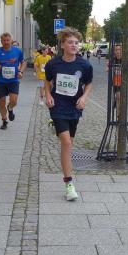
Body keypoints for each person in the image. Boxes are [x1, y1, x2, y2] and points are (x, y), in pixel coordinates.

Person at [44, 27, 93, 201]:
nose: (74, 45)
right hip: (58, 106)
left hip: (74, 108)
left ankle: (57, 128)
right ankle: (69, 184)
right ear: (63, 45)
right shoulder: (53, 64)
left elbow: (88, 83)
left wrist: (84, 97)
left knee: (68, 144)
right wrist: (48, 95)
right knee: (65, 142)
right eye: (70, 42)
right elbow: (47, 81)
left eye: (76, 43)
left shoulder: (85, 65)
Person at [0, 32, 25, 130]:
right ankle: (4, 120)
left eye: (8, 40)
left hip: (13, 80)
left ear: (11, 40)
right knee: (2, 102)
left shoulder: (17, 51)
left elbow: (23, 62)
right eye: (4, 40)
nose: (6, 42)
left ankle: (10, 108)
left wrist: (20, 71)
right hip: (1, 81)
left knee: (13, 101)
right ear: (1, 41)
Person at [106, 44, 123, 119]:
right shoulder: (113, 60)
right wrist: (108, 67)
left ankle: (119, 113)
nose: (118, 51)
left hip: (124, 82)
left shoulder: (125, 59)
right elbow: (107, 66)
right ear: (114, 51)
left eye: (119, 50)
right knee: (119, 96)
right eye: (116, 50)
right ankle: (118, 116)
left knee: (121, 97)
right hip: (116, 81)